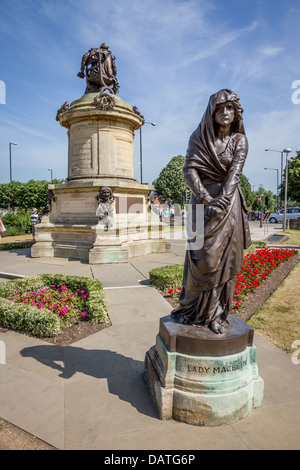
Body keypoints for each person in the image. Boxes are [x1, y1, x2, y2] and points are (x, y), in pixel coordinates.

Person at [171, 89, 251, 334]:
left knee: (222, 261)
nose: (225, 113)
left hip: (227, 207)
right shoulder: (199, 136)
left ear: (236, 112)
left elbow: (234, 175)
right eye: (220, 109)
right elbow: (189, 171)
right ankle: (190, 309)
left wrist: (221, 202)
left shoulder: (239, 141)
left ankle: (215, 314)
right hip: (199, 206)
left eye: (230, 108)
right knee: (201, 259)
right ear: (212, 112)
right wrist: (207, 200)